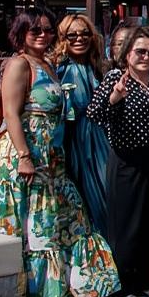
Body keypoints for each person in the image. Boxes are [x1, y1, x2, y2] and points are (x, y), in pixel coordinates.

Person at [0, 7, 119, 297]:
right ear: (21, 33)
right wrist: (24, 157)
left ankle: (59, 294)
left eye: (48, 30)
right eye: (35, 30)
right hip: (26, 155)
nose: (43, 35)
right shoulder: (19, 64)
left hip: (52, 157)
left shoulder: (47, 62)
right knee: (35, 229)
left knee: (63, 222)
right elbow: (10, 113)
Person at [86, 25, 149, 297]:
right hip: (127, 159)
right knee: (127, 225)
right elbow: (94, 113)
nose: (146, 57)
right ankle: (122, 288)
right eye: (140, 51)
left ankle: (146, 283)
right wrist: (114, 98)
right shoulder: (116, 77)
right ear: (127, 54)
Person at [53, 14, 112, 238]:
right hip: (71, 143)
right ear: (63, 38)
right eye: (72, 35)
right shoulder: (57, 68)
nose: (80, 38)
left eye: (85, 33)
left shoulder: (100, 67)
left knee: (106, 200)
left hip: (100, 143)